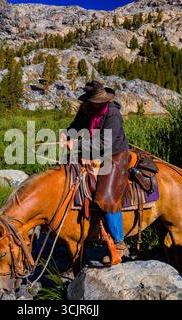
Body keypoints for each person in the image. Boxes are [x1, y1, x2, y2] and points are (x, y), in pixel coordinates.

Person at [60, 80, 131, 264]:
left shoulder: (113, 114)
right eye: (96, 101)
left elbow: (105, 144)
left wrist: (76, 144)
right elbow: (76, 125)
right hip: (92, 151)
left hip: (115, 154)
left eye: (101, 101)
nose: (99, 104)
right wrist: (66, 134)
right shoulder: (86, 109)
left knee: (107, 196)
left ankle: (119, 243)